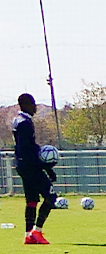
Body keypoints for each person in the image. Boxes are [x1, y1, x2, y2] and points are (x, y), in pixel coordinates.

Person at [12, 93, 57, 244]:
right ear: (25, 105)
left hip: (22, 165)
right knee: (50, 197)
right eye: (32, 104)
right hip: (31, 167)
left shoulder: (17, 121)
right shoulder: (25, 123)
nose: (35, 107)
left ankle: (28, 235)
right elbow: (26, 149)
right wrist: (45, 166)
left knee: (31, 200)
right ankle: (36, 231)